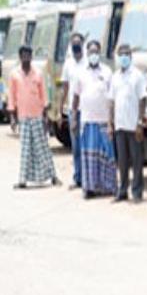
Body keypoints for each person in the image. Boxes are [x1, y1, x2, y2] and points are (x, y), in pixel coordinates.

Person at [9, 45, 60, 189]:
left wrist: (46, 117)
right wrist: (12, 118)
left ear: (31, 57)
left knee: (42, 147)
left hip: (37, 115)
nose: (26, 58)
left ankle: (53, 176)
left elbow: (44, 95)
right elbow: (12, 97)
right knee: (26, 149)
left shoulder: (38, 73)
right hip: (23, 117)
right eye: (24, 55)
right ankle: (22, 180)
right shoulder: (15, 75)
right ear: (20, 57)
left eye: (29, 55)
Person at [72, 40, 116, 199]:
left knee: (106, 153)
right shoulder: (81, 73)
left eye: (96, 52)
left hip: (104, 120)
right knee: (89, 155)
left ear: (100, 53)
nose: (93, 55)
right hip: (87, 120)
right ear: (87, 54)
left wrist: (112, 120)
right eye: (91, 52)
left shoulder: (107, 71)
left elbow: (112, 98)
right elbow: (76, 97)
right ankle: (89, 188)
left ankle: (108, 186)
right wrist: (74, 119)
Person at [109, 44, 147, 203]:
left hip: (134, 125)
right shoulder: (115, 76)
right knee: (122, 161)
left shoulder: (137, 75)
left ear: (131, 56)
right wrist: (110, 123)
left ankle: (137, 191)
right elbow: (111, 101)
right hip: (119, 125)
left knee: (137, 160)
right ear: (118, 57)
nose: (124, 57)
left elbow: (143, 99)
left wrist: (140, 122)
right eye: (121, 54)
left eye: (126, 54)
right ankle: (122, 190)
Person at [60, 32, 86, 190]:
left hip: (89, 110)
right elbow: (65, 88)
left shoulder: (88, 61)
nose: (76, 46)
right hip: (74, 111)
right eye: (74, 44)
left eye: (78, 43)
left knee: (88, 145)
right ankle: (78, 178)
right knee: (76, 146)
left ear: (82, 44)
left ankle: (89, 178)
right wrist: (60, 108)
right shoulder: (68, 64)